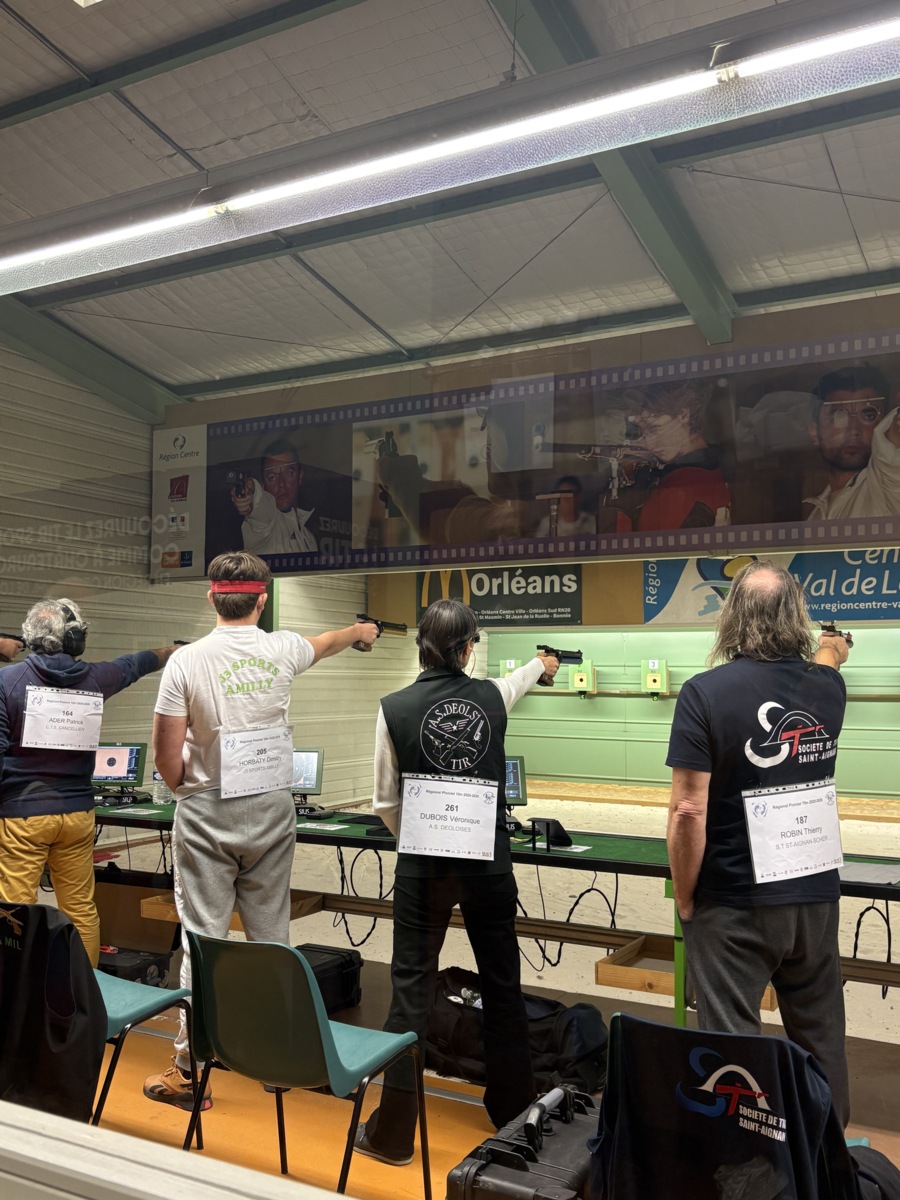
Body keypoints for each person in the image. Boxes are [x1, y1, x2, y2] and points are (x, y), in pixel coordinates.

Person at [143, 551, 378, 1108]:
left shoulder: (186, 662)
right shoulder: (283, 648)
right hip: (272, 809)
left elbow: (166, 754)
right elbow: (326, 641)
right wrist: (358, 632)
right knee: (272, 940)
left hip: (207, 811)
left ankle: (190, 1069)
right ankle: (278, 1060)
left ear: (211, 596)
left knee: (204, 941)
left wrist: (186, 787)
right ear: (262, 600)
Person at [354, 599, 559, 1167]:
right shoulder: (491, 697)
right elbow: (520, 680)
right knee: (502, 984)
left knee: (410, 990)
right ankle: (513, 1113)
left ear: (421, 646)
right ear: (468, 649)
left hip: (423, 869)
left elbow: (384, 801)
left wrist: (420, 837)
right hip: (488, 865)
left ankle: (393, 1134)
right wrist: (541, 666)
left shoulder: (393, 707)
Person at [666, 560, 852, 1126]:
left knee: (733, 1051)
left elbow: (688, 810)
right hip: (814, 897)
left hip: (734, 902)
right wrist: (833, 648)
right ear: (795, 616)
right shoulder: (828, 689)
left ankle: (742, 1163)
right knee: (821, 1036)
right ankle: (828, 1157)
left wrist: (685, 896)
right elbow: (825, 663)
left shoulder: (703, 694)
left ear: (732, 618)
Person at [0, 599, 176, 966]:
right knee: (79, 906)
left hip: (21, 817)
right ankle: (86, 988)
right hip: (78, 815)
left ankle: (16, 991)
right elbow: (137, 663)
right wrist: (172, 652)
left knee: (14, 910)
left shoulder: (7, 682)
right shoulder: (96, 678)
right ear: (76, 640)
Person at [599, 381, 731, 533]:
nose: (648, 443)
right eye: (642, 432)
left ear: (684, 415)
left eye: (655, 428)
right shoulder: (716, 469)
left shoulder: (679, 488)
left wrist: (619, 510)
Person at [803, 364, 900, 520]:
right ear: (814, 432)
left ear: (884, 425)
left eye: (868, 415)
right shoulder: (816, 516)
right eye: (839, 415)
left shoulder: (889, 486)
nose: (854, 430)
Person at [230, 438, 318, 554]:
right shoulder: (266, 523)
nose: (281, 483)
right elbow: (261, 506)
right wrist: (251, 492)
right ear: (263, 484)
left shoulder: (309, 539)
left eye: (289, 473)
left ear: (300, 476)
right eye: (272, 477)